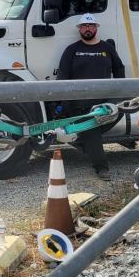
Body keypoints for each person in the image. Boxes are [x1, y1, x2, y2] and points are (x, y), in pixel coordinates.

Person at [56, 14, 125, 178]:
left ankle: (81, 140)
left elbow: (119, 69)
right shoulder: (72, 50)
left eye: (91, 26)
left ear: (96, 28)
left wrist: (119, 92)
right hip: (79, 104)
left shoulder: (107, 48)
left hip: (104, 103)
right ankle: (102, 168)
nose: (88, 29)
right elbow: (62, 76)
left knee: (95, 128)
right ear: (80, 29)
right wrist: (64, 101)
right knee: (92, 129)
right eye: (85, 26)